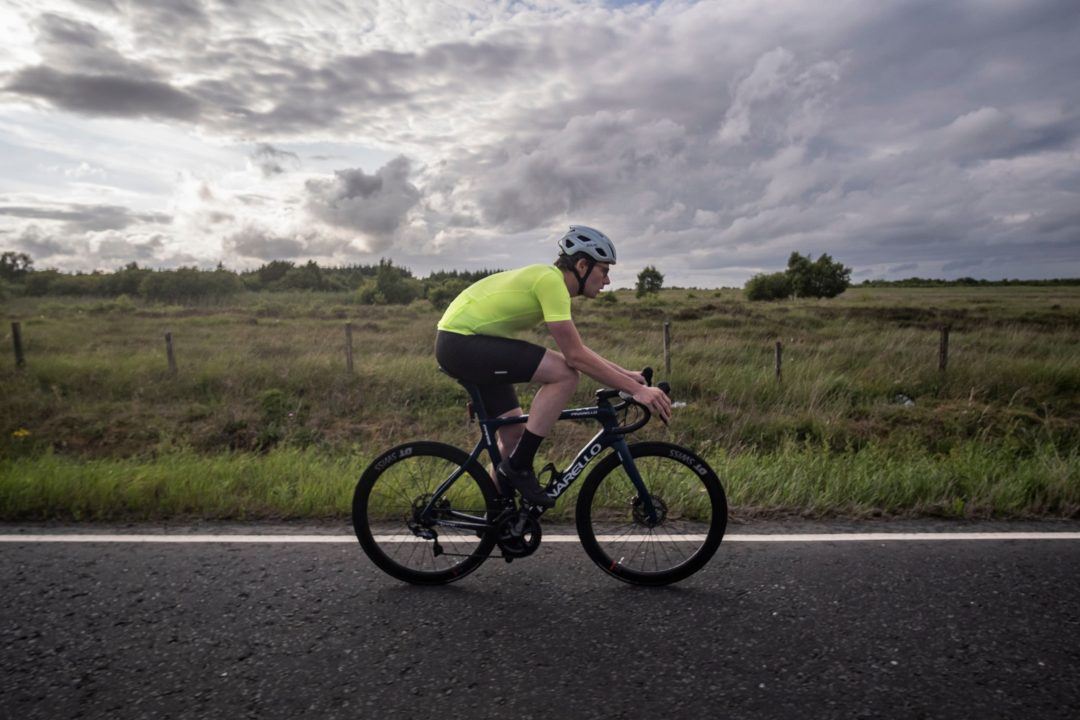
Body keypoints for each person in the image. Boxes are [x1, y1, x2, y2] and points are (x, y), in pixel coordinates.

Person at [434, 225, 672, 507]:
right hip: (462, 343)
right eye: (604, 271)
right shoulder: (552, 283)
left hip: (464, 343)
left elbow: (578, 350)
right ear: (582, 265)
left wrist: (626, 376)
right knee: (565, 374)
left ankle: (499, 518)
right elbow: (574, 358)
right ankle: (520, 465)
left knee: (512, 436)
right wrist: (636, 390)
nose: (607, 281)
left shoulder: (549, 281)